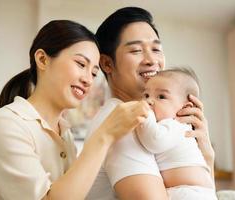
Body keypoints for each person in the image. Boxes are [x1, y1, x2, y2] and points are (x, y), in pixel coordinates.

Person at [0, 20, 150, 200]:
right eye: (81, 64)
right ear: (42, 59)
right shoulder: (7, 125)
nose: (88, 80)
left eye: (94, 73)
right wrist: (105, 135)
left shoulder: (65, 135)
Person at [85, 7, 215, 200]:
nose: (151, 60)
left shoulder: (158, 120)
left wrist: (206, 153)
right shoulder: (122, 119)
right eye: (136, 50)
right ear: (106, 64)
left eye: (156, 49)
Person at [136, 68, 217, 200]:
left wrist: (145, 117)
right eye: (146, 95)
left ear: (185, 108)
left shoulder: (176, 125)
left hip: (190, 192)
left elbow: (154, 141)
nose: (149, 101)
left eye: (161, 97)